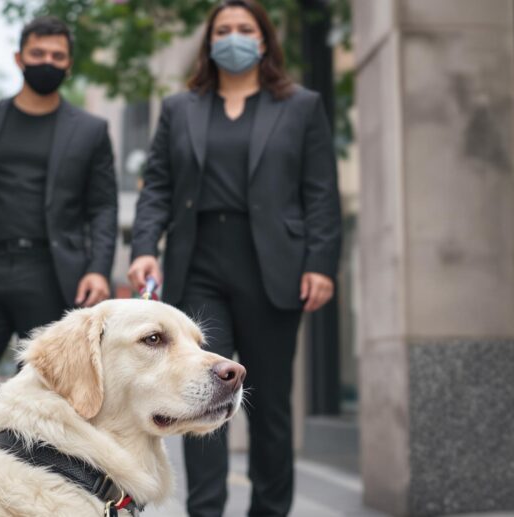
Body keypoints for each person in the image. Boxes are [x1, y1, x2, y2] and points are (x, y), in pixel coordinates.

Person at [127, 0, 342, 515]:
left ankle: (270, 511)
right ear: (210, 42)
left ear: (264, 40)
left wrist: (321, 262)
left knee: (269, 406)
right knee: (202, 396)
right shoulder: (181, 108)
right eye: (223, 29)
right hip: (198, 262)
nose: (234, 37)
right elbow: (156, 185)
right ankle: (205, 511)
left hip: (273, 265)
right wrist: (143, 250)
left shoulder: (301, 106)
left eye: (245, 28)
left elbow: (321, 193)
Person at [0, 16, 118, 437]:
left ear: (69, 65)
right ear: (19, 58)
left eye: (57, 56)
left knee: (47, 387)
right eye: (38, 54)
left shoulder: (91, 131)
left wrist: (98, 268)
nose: (47, 62)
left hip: (53, 275)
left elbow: (103, 208)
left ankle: (30, 471)